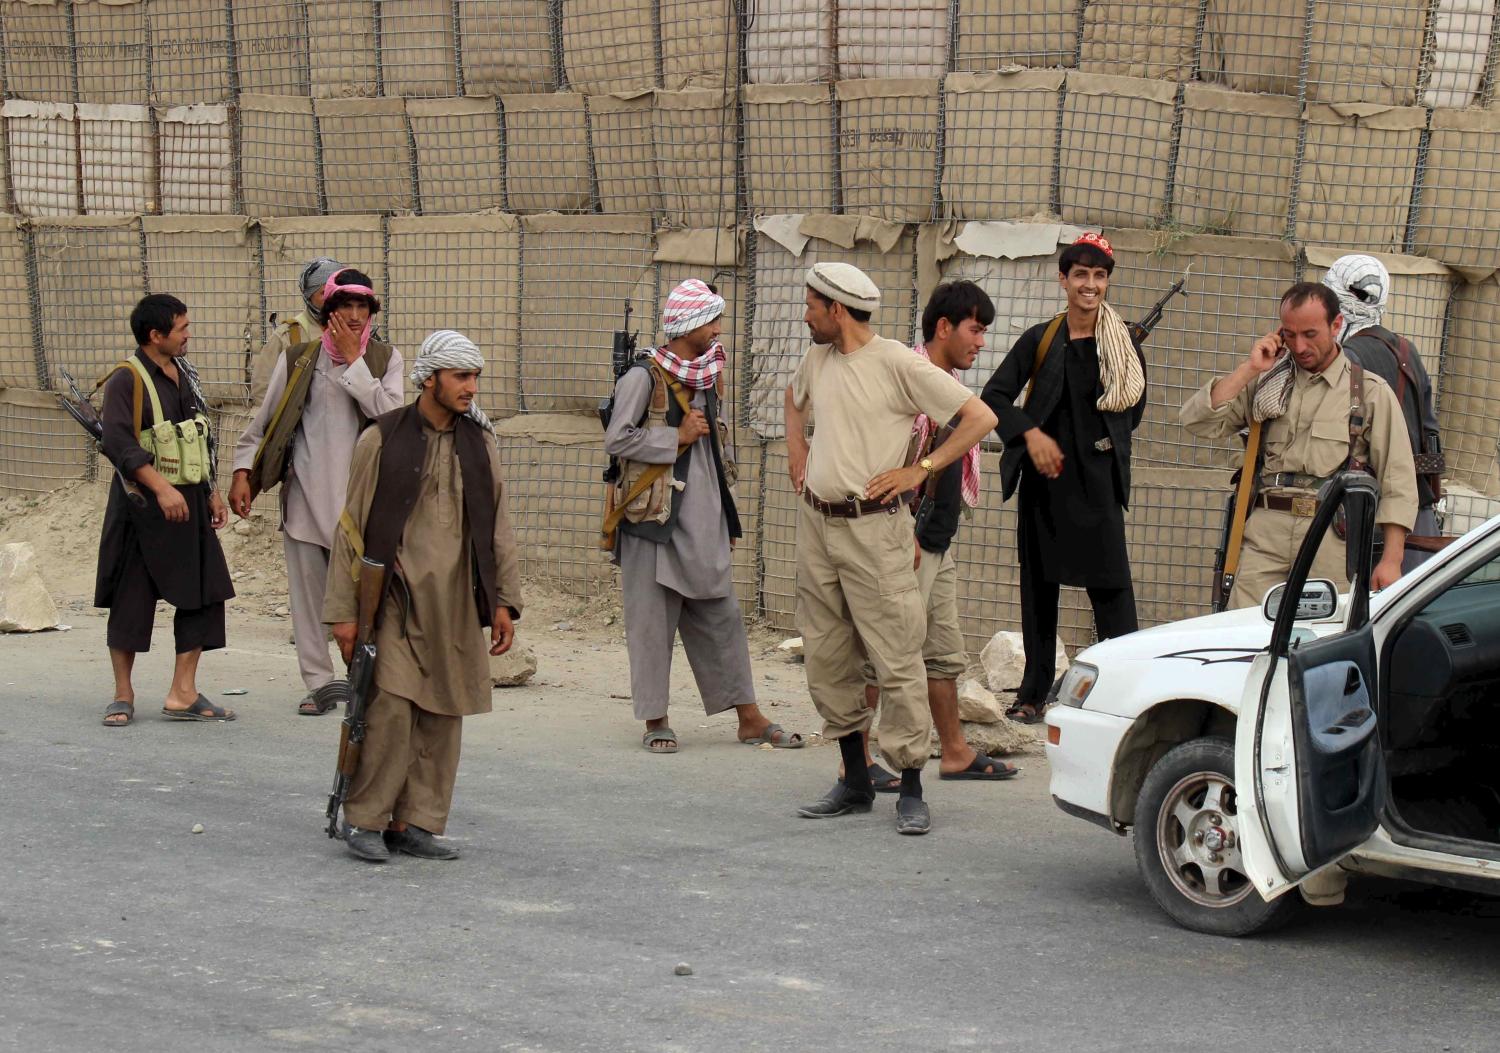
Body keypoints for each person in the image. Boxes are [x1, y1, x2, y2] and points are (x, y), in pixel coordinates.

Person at [785, 262, 997, 836]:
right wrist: (796, 452)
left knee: (898, 658)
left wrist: (919, 470)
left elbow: (978, 417)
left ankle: (910, 785)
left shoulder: (899, 364)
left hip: (876, 529)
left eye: (810, 306)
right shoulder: (816, 360)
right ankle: (855, 780)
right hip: (818, 527)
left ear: (836, 310)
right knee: (828, 655)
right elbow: (792, 399)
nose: (804, 315)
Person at [324, 330, 523, 863]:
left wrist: (504, 601)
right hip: (394, 599)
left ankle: (413, 823)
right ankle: (365, 818)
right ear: (429, 378)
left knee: (443, 714)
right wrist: (343, 614)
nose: (470, 388)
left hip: (456, 603)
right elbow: (351, 530)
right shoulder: (382, 438)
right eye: (461, 376)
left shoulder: (480, 445)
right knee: (388, 709)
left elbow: (500, 528)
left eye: (475, 377)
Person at [604, 279, 801, 754]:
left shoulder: (708, 377)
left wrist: (724, 522)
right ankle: (656, 720)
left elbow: (717, 457)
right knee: (651, 625)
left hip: (703, 521)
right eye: (711, 321)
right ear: (689, 323)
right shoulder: (642, 378)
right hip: (653, 522)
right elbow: (617, 439)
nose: (718, 330)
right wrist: (676, 439)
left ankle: (748, 717)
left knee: (722, 616)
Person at [854, 281, 1017, 787]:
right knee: (885, 652)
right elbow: (896, 466)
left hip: (937, 541)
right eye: (975, 329)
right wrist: (914, 537)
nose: (981, 342)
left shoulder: (944, 383)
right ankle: (854, 759)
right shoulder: (910, 378)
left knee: (942, 652)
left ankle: (954, 751)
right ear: (943, 327)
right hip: (913, 541)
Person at [979, 233, 1147, 725]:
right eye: (1080, 275)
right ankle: (1033, 692)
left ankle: (1126, 692)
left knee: (1113, 594)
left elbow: (1133, 410)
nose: (1089, 285)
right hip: (1044, 486)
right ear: (1063, 279)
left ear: (1107, 282)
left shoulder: (1123, 343)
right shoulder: (1041, 338)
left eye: (1099, 276)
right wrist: (1030, 434)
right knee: (1039, 590)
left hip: (1097, 484)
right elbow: (994, 398)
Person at [229, 268, 403, 715]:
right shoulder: (299, 359)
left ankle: (363, 679)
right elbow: (263, 425)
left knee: (368, 598)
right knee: (307, 600)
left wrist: (354, 363)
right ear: (327, 312)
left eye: (362, 306)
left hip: (363, 507)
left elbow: (395, 423)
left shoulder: (386, 360)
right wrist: (242, 471)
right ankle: (320, 683)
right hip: (306, 496)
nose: (355, 315)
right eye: (345, 305)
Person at [1180, 281, 1417, 610]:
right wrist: (1250, 369)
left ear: (1336, 325)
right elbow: (1197, 421)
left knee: (1320, 637)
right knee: (1241, 631)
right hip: (1265, 531)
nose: (1299, 345)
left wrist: (1391, 560)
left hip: (1330, 534)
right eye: (1289, 335)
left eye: (1310, 334)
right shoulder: (1267, 383)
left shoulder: (1368, 392)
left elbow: (1399, 480)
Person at [96, 294, 236, 727]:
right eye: (182, 328)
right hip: (143, 507)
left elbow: (197, 437)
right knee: (131, 596)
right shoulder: (127, 380)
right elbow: (117, 442)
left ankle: (183, 692)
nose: (188, 334)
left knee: (206, 591)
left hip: (189, 502)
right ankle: (123, 694)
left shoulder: (185, 374)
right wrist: (160, 489)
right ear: (155, 336)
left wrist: (209, 491)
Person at [1321, 255, 1443, 570]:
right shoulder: (1406, 350)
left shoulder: (1344, 359)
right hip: (1417, 509)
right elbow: (1430, 433)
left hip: (1367, 514)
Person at [250, 257, 344, 403]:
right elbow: (262, 390)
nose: (332, 298)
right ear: (309, 296)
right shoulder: (288, 336)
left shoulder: (357, 332)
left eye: (338, 292)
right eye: (324, 292)